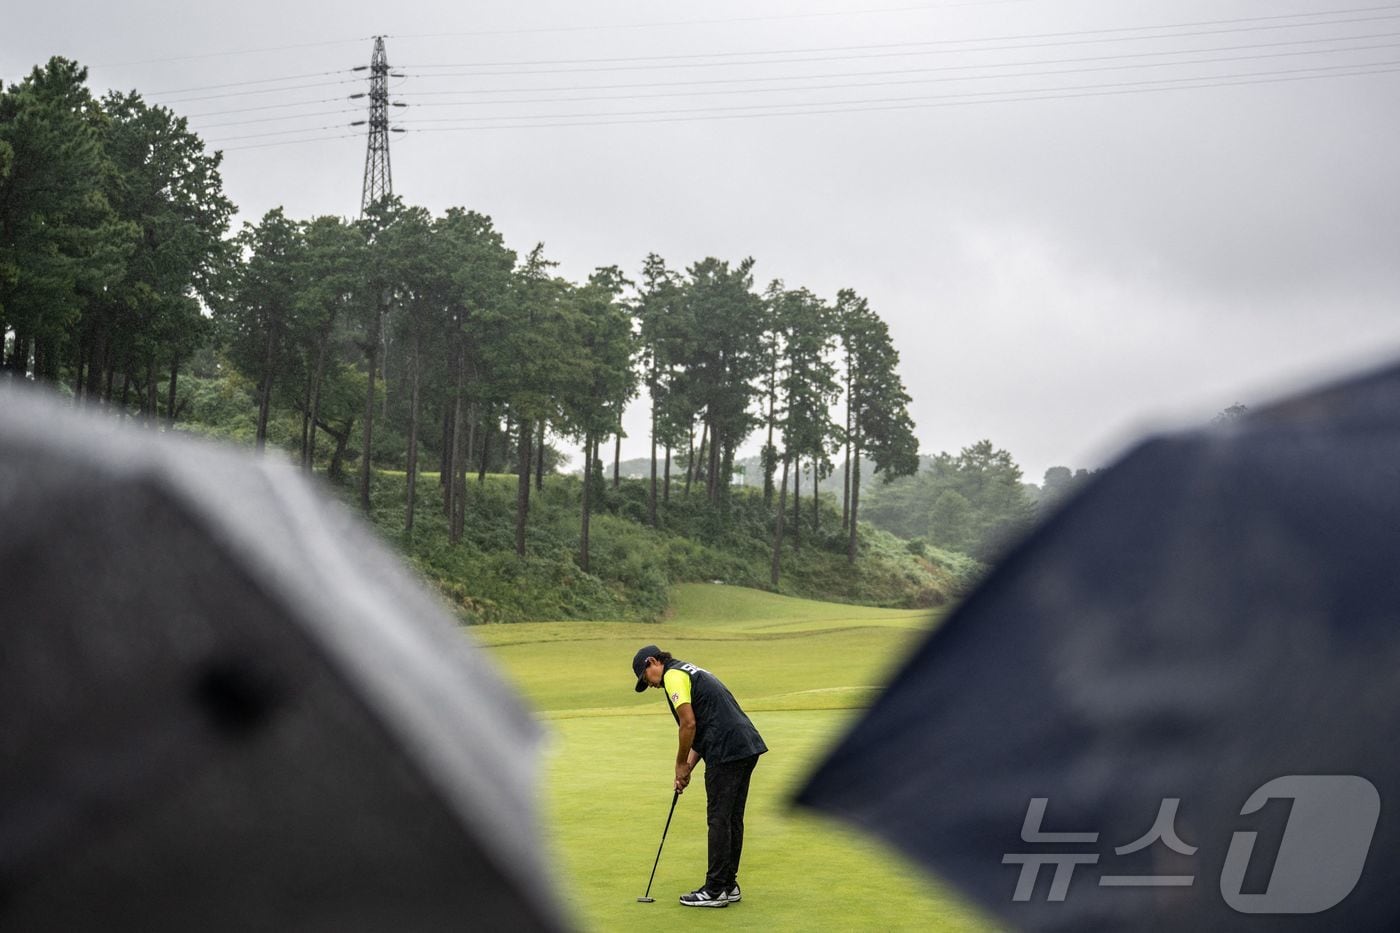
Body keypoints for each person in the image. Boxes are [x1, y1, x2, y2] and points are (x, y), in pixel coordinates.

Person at [631, 644, 767, 909]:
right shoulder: (689, 670)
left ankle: (715, 890)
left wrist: (680, 763)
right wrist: (688, 770)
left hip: (726, 748)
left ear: (652, 662)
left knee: (718, 819)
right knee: (731, 818)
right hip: (744, 744)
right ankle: (728, 885)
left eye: (645, 679)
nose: (650, 685)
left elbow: (689, 723)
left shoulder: (672, 676)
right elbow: (703, 727)